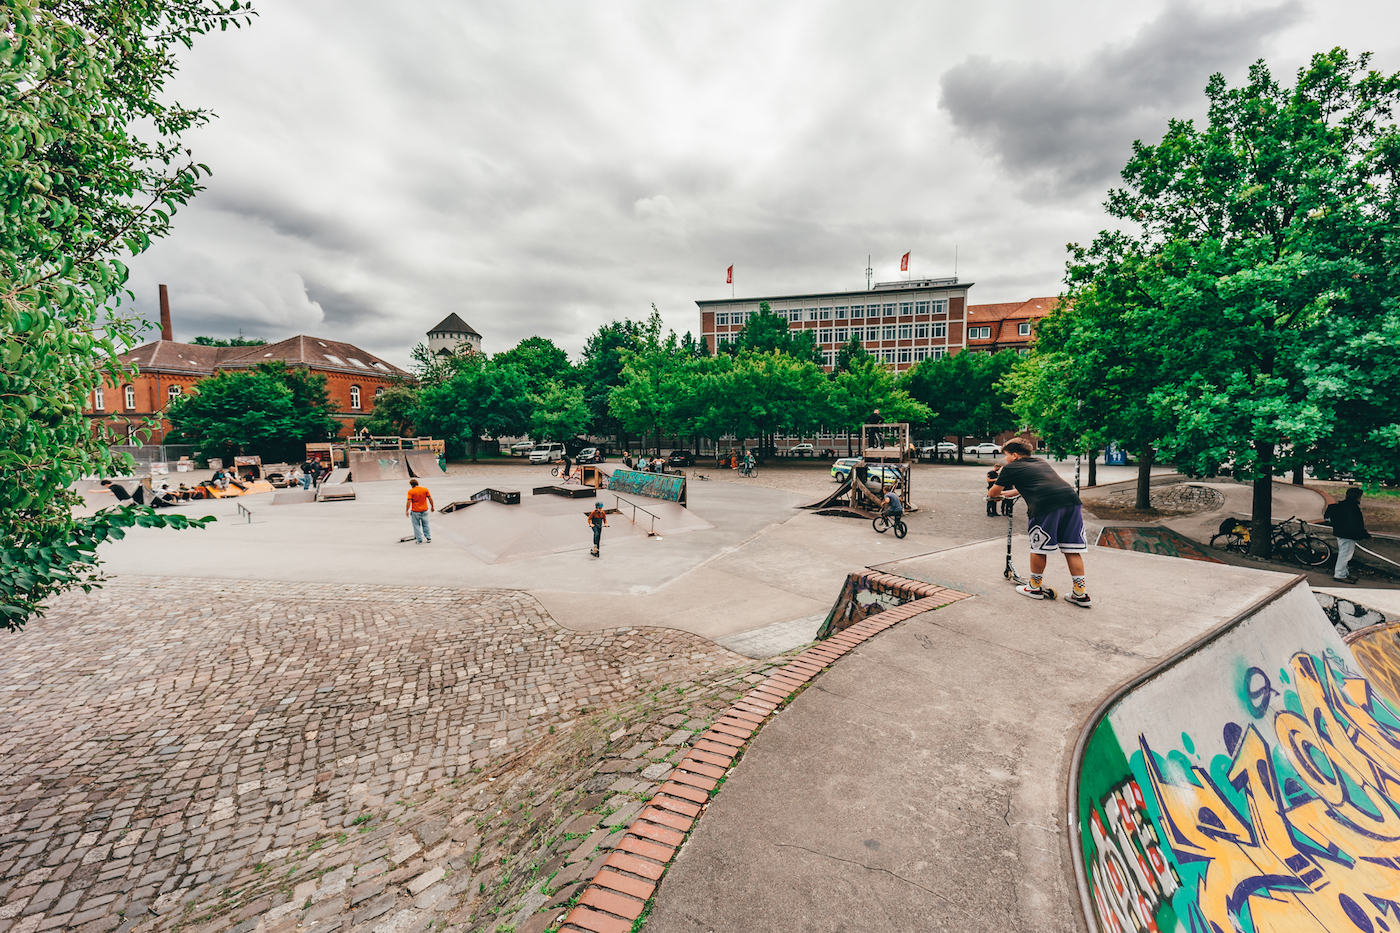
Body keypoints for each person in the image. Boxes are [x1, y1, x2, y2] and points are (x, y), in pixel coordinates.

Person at [988, 439, 1091, 607]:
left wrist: (995, 496)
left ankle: (1034, 587)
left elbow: (993, 492)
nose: (1005, 460)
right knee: (1072, 549)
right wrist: (1006, 495)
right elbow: (1026, 487)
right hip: (1071, 501)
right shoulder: (1040, 462)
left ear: (1014, 455)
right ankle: (1080, 594)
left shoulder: (1010, 467)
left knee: (1039, 547)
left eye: (1006, 456)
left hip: (1045, 506)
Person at [1324, 487, 1370, 584]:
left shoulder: (1344, 505)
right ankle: (1340, 575)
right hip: (1347, 534)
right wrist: (1365, 535)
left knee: (1344, 554)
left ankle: (1344, 573)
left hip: (1341, 532)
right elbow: (1355, 523)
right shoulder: (1352, 507)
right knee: (1345, 555)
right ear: (1357, 496)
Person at [405, 478, 434, 543]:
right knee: (426, 524)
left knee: (416, 525)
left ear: (412, 485)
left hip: (415, 511)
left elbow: (409, 501)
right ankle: (428, 538)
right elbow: (430, 498)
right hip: (424, 510)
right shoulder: (425, 489)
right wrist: (432, 506)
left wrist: (407, 510)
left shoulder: (411, 491)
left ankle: (419, 539)